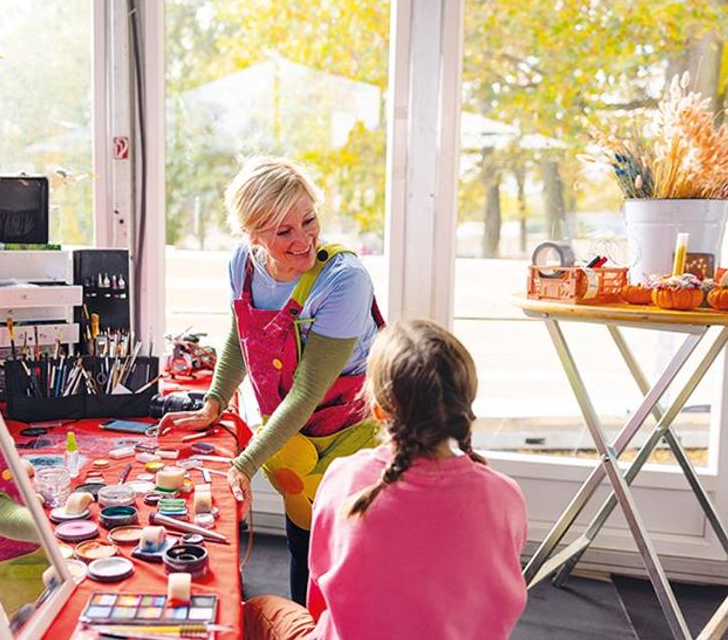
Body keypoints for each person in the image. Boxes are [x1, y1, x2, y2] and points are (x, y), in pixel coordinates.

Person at [159, 156, 384, 604]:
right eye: (283, 232)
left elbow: (305, 391)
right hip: (294, 433)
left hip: (349, 433)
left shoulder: (343, 281)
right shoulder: (244, 264)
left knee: (345, 558)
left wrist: (244, 462)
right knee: (302, 546)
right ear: (252, 235)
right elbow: (240, 335)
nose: (303, 240)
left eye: (309, 220)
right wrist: (214, 402)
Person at [242, 320, 529, 640]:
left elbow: (321, 596)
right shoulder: (505, 495)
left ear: (377, 410)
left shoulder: (345, 478)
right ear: (463, 405)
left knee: (255, 610)